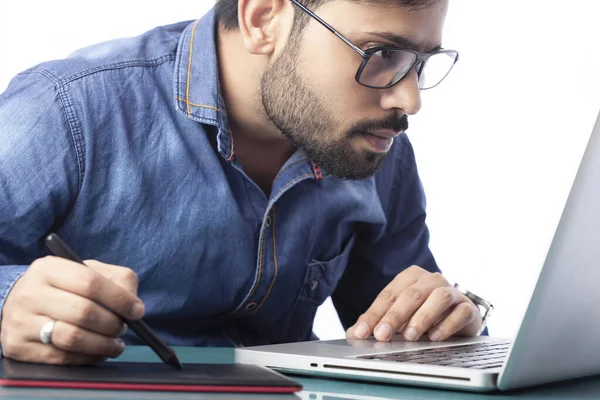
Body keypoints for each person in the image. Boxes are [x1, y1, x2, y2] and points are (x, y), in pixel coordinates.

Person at [0, 0, 485, 366]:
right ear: (261, 19)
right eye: (381, 53)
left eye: (421, 62)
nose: (410, 99)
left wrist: (446, 321)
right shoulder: (66, 110)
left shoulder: (372, 147)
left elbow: (404, 336)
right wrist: (9, 303)